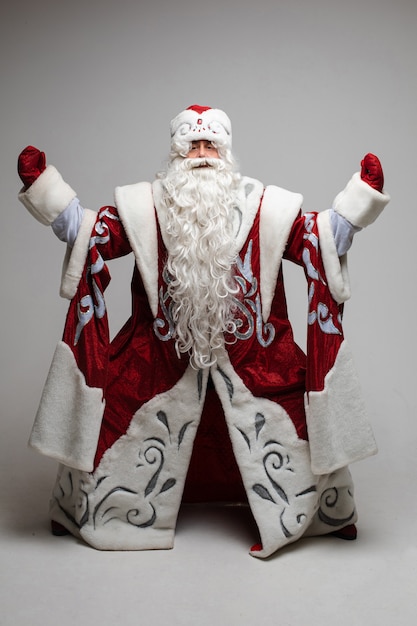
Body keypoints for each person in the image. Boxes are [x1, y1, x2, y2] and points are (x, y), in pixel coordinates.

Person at [17, 104, 390, 558]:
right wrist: (47, 193)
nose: (201, 152)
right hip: (158, 354)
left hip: (256, 356)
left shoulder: (265, 206)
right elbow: (92, 234)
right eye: (191, 145)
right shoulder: (147, 206)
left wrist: (356, 205)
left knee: (297, 413)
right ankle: (85, 510)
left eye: (210, 144)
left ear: (225, 151)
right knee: (113, 410)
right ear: (176, 154)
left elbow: (318, 237)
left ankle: (325, 516)